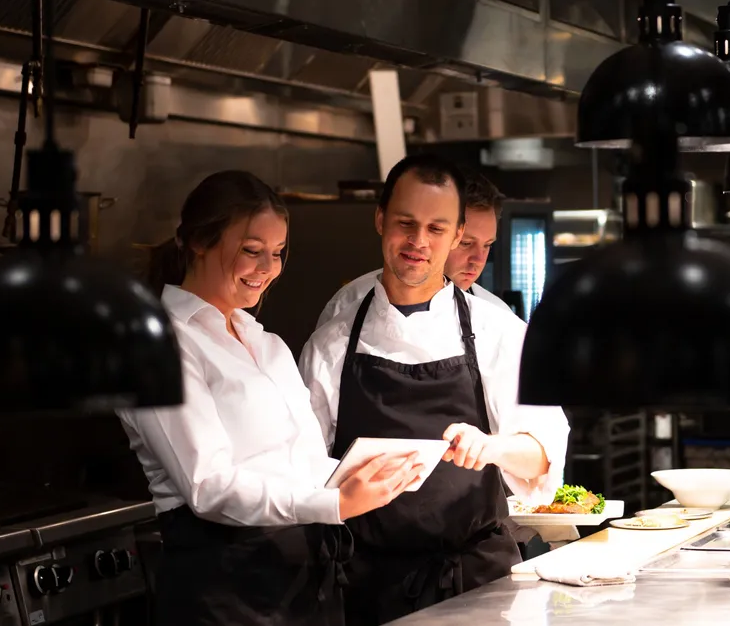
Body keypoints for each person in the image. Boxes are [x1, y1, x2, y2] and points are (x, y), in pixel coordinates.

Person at [117, 170, 424, 626]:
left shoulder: (267, 344)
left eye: (278, 253)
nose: (267, 269)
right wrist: (336, 504)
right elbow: (207, 487)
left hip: (305, 583)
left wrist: (363, 472)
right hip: (226, 590)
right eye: (251, 251)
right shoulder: (157, 344)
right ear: (199, 241)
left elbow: (299, 463)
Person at [298, 155, 569, 626]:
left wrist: (491, 447)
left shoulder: (497, 331)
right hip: (367, 586)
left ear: (456, 232)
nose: (419, 243)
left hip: (479, 583)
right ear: (380, 219)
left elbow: (543, 456)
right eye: (406, 223)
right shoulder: (331, 343)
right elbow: (301, 470)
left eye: (437, 229)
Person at [314, 170, 511, 329]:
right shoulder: (348, 304)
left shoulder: (499, 320)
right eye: (466, 243)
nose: (478, 259)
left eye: (487, 245)